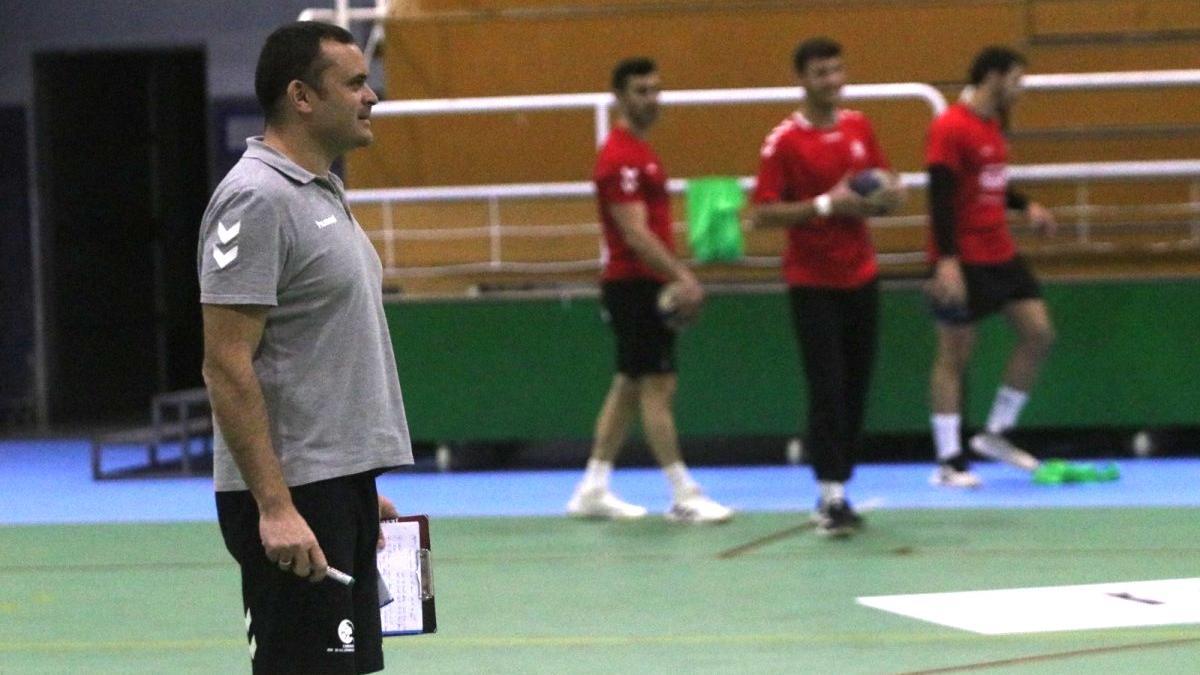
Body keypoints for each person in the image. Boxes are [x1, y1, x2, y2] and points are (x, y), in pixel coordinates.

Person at [198, 21, 411, 674]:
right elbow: (226, 363)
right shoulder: (255, 200)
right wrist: (275, 504)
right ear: (302, 96)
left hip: (333, 483)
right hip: (294, 499)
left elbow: (315, 350)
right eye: (353, 82)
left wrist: (353, 478)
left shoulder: (320, 192)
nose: (371, 95)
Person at [565, 57, 733, 524]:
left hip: (644, 282)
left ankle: (593, 487)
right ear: (619, 97)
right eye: (641, 90)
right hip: (634, 284)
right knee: (658, 385)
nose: (651, 99)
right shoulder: (619, 158)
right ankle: (684, 493)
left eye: (656, 89)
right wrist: (683, 276)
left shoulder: (644, 152)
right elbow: (636, 235)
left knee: (630, 383)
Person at [747, 37, 904, 536]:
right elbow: (763, 213)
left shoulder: (859, 126)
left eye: (837, 70)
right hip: (812, 280)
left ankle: (843, 484)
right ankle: (829, 494)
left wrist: (888, 196)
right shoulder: (784, 142)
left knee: (857, 385)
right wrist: (823, 205)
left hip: (861, 273)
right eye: (821, 73)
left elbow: (884, 183)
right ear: (802, 80)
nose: (832, 81)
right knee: (828, 387)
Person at [925, 46, 1058, 488]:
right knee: (954, 354)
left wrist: (1026, 205)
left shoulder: (992, 124)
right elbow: (941, 197)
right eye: (1016, 79)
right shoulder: (950, 127)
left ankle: (995, 434)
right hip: (961, 255)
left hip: (1000, 249)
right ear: (993, 77)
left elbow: (990, 180)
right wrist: (946, 262)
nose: (1021, 89)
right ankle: (948, 460)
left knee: (1038, 333)